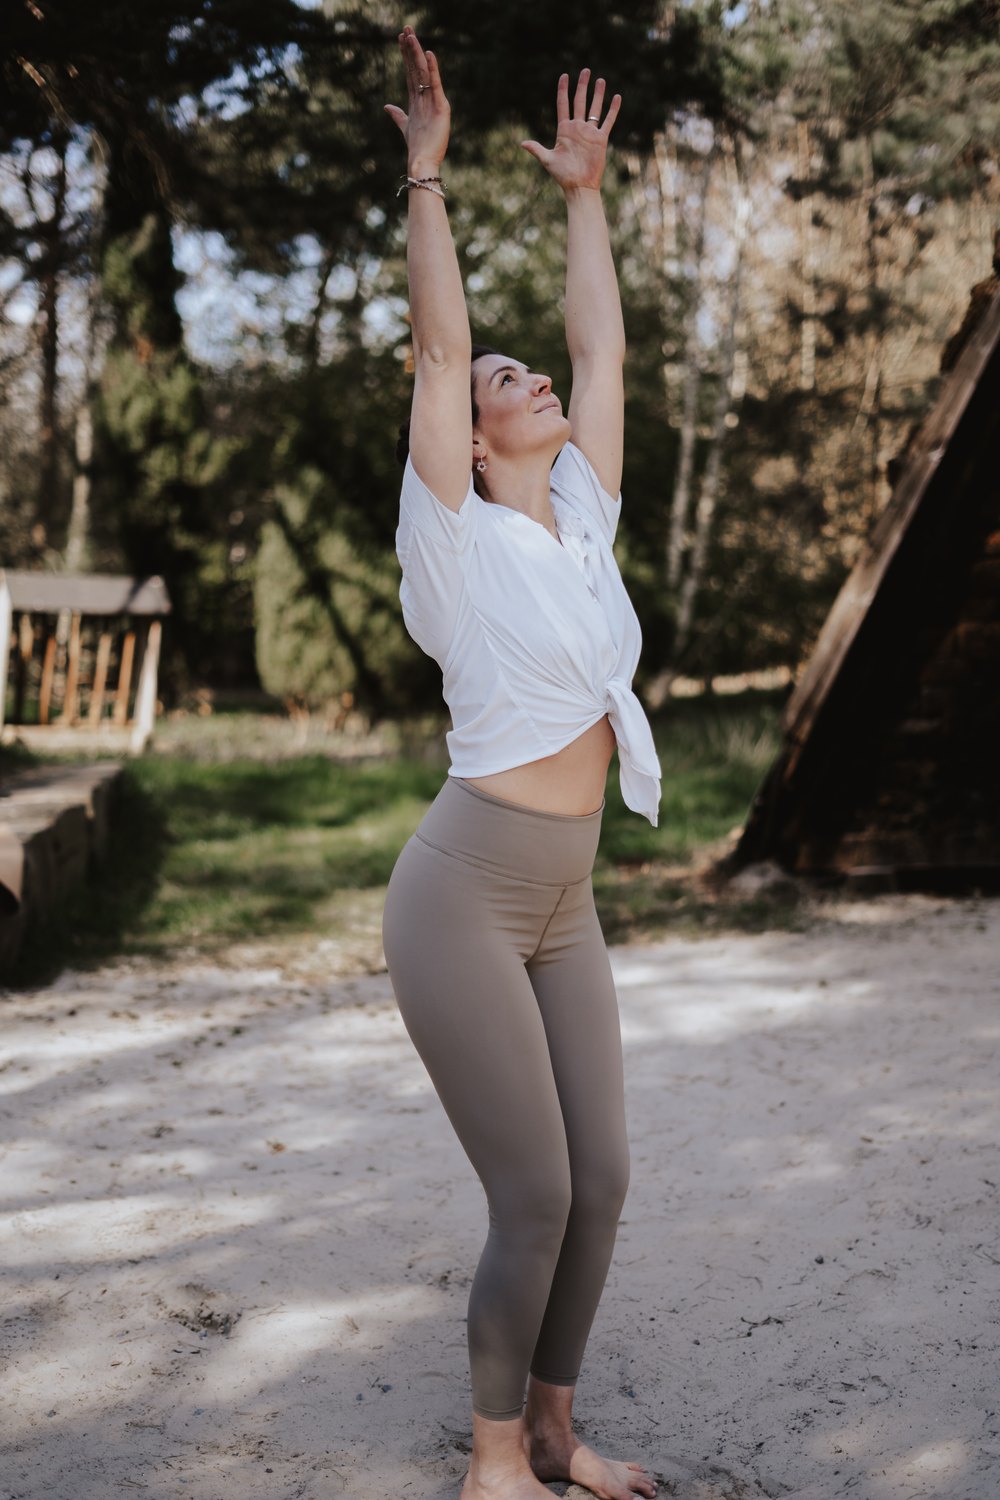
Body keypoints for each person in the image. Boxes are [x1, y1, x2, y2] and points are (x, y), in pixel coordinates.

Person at [381, 25, 661, 1500]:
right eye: (502, 379)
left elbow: (604, 344)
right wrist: (428, 177)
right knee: (536, 1188)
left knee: (602, 1183)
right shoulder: (455, 539)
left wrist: (583, 198)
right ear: (474, 440)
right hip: (467, 889)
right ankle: (497, 1462)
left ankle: (557, 1428)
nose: (526, 374)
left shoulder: (586, 517)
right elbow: (438, 344)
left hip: (570, 894)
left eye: (521, 368)